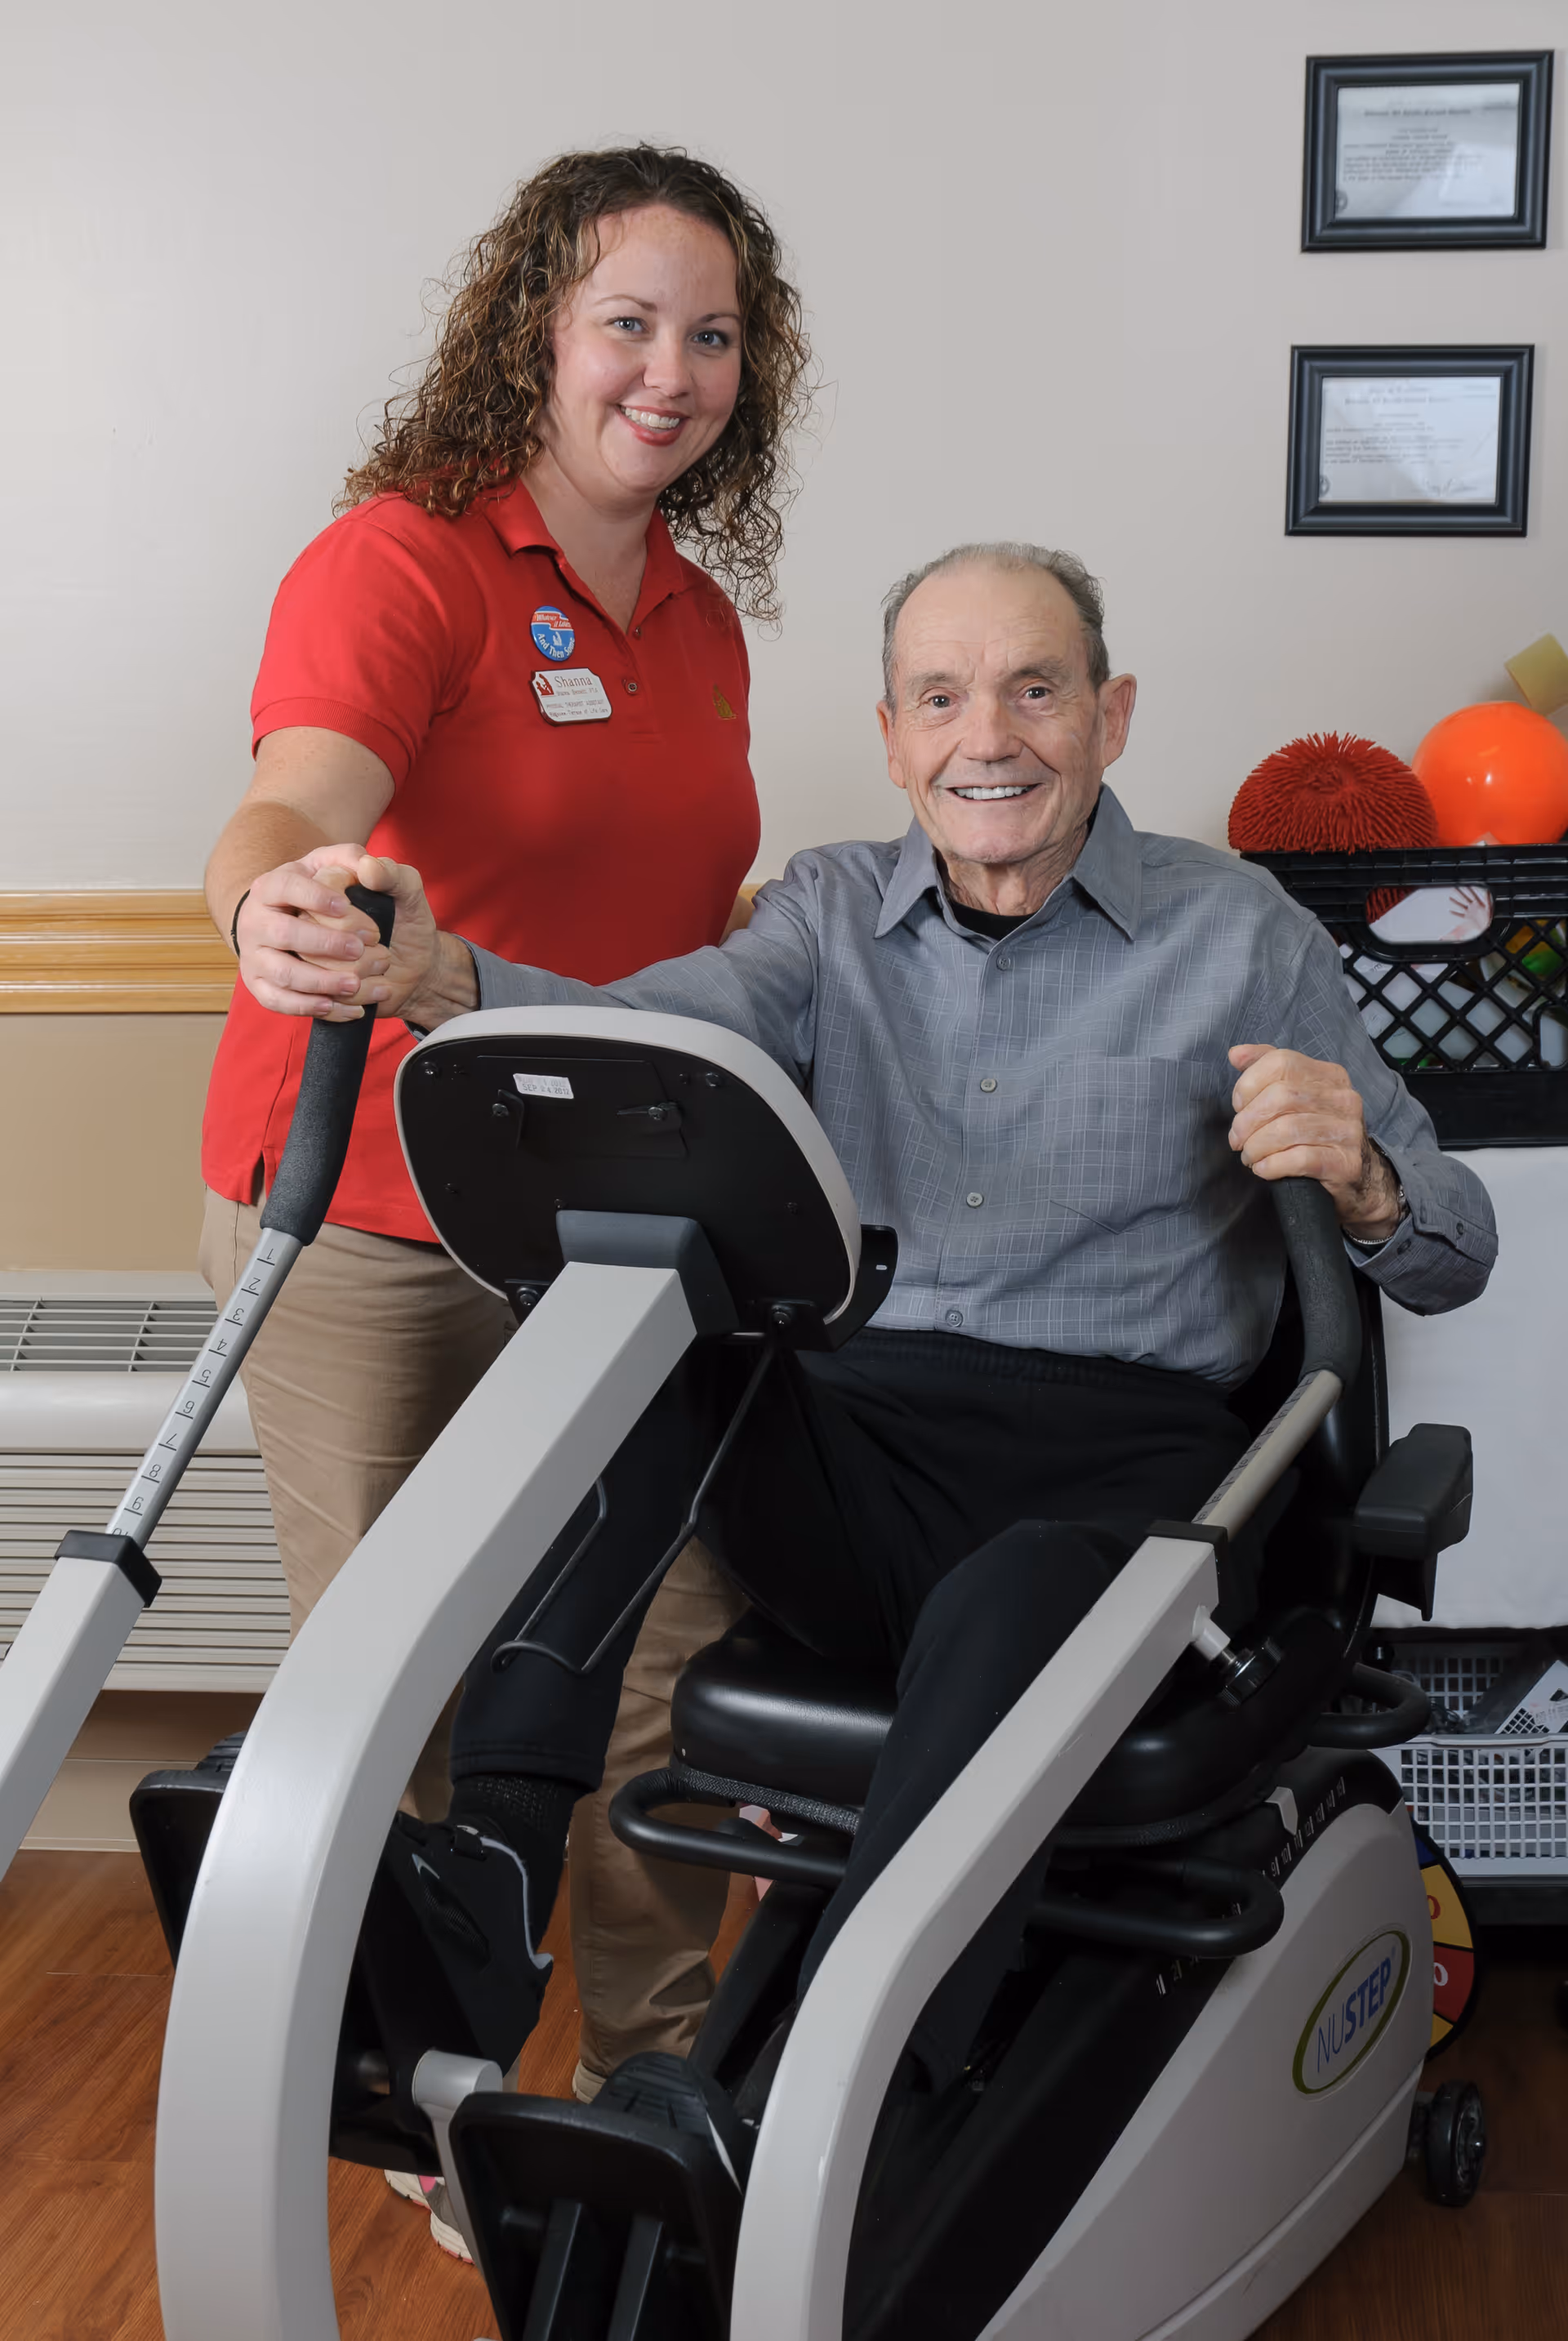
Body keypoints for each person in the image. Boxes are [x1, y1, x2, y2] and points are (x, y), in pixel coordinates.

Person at [284, 541, 1497, 2099]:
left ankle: (855, 2081)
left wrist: (1372, 1177)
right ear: (892, 735)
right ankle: (498, 1862)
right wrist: (439, 970)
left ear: (1111, 717)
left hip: (1126, 1477)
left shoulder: (1241, 933)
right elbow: (644, 1028)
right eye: (942, 697)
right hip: (863, 1457)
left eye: (1034, 691)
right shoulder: (828, 913)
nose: (985, 736)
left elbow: (1458, 1253)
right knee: (665, 1326)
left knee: (1013, 1599)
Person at [196, 143, 811, 2252]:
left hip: (614, 1233)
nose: (672, 367)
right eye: (627, 320)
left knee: (661, 1661)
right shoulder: (411, 562)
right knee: (421, 1684)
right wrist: (272, 899)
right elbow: (298, 795)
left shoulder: (707, 625)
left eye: (713, 332)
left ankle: (658, 2084)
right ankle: (452, 2107)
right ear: (533, 331)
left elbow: (684, 921)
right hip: (368, 1209)